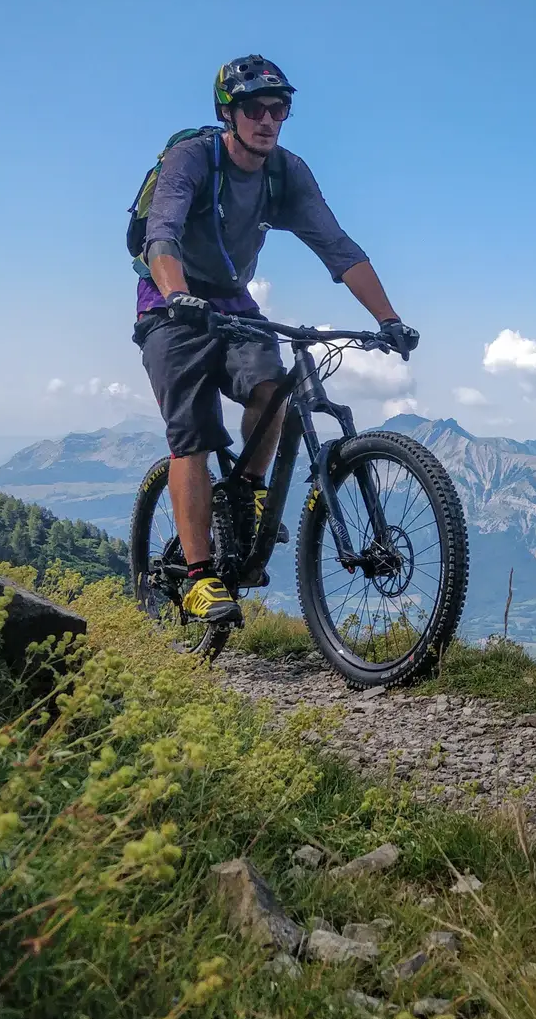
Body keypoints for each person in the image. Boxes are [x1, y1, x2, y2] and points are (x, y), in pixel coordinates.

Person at [135, 54, 417, 624]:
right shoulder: (194, 159)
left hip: (234, 302)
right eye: (254, 108)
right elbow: (160, 235)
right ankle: (197, 578)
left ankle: (246, 493)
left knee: (273, 390)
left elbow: (337, 246)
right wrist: (177, 294)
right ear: (227, 113)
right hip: (171, 302)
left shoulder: (285, 173)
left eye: (279, 108)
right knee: (192, 433)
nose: (268, 119)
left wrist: (389, 319)